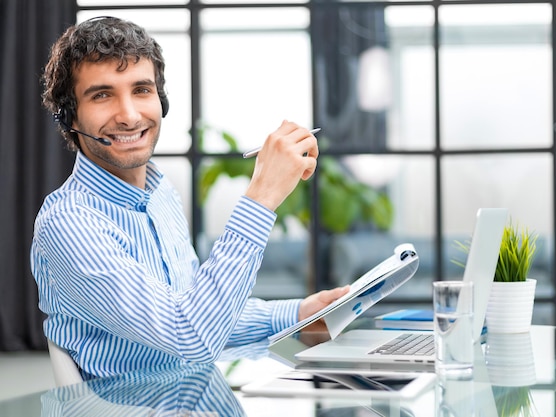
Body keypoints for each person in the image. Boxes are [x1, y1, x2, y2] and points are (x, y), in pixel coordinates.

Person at [31, 16, 348, 379]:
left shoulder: (160, 192)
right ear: (69, 115)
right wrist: (262, 196)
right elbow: (191, 335)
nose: (130, 115)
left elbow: (200, 311)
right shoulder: (70, 223)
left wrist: (298, 313)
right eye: (102, 95)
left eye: (141, 90)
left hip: (192, 397)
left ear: (160, 100)